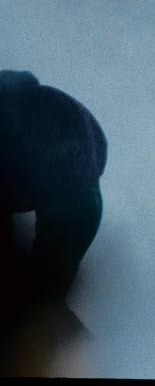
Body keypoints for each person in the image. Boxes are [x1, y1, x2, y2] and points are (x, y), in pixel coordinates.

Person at [1, 70, 106, 376]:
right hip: (87, 190)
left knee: (32, 304)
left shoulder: (15, 117)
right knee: (39, 301)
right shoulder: (32, 101)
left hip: (70, 195)